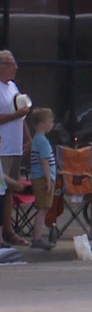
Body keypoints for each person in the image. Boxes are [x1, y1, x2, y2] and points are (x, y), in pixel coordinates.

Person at [0, 50, 31, 247]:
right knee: (1, 190)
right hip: (2, 147)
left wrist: (27, 138)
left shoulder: (13, 87)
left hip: (14, 146)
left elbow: (22, 116)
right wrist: (16, 115)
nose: (16, 67)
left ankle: (8, 231)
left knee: (10, 190)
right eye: (12, 64)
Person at [26, 108, 57, 250]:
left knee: (43, 208)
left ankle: (38, 237)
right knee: (43, 209)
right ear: (42, 123)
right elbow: (44, 161)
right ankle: (37, 238)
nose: (52, 124)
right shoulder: (42, 141)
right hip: (43, 178)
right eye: (50, 122)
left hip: (39, 178)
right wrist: (48, 179)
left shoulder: (36, 140)